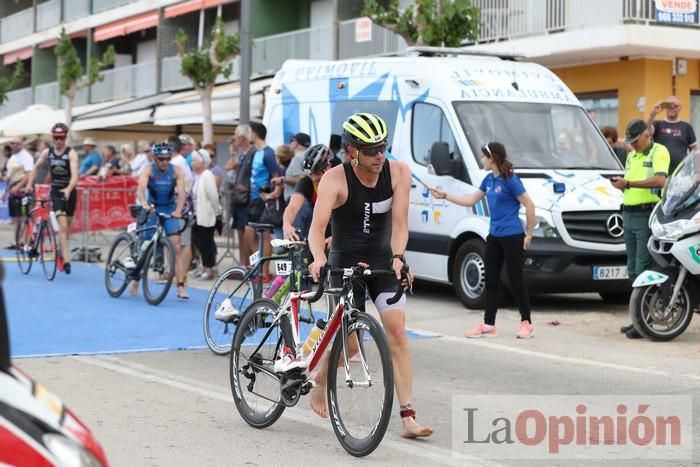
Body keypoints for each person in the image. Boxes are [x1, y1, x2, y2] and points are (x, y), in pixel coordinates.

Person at [306, 112, 433, 439]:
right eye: (372, 149)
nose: (380, 155)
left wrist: (398, 258)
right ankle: (320, 378)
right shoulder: (334, 179)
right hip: (344, 263)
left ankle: (408, 417)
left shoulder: (399, 173)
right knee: (350, 348)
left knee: (398, 334)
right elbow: (317, 229)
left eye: (383, 147)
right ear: (352, 151)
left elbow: (400, 224)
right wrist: (318, 258)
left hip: (382, 261)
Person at [431, 142, 536, 338]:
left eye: (483, 157)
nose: (481, 160)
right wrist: (444, 195)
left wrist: (529, 234)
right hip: (494, 236)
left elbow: (530, 205)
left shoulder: (510, 180)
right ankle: (489, 324)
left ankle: (526, 322)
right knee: (491, 280)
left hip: (513, 236)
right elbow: (470, 201)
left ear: (493, 158)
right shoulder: (488, 180)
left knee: (516, 280)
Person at [612, 120, 670, 339]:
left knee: (644, 268)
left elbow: (660, 180)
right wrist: (621, 184)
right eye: (631, 142)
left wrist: (628, 184)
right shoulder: (632, 156)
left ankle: (645, 319)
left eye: (635, 141)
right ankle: (637, 317)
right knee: (633, 269)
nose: (633, 145)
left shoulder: (658, 151)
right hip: (628, 215)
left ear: (647, 135)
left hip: (646, 215)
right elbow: (631, 182)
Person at [135, 141, 188, 299]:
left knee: (176, 247)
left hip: (169, 209)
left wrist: (179, 210)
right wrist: (144, 203)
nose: (165, 162)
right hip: (153, 208)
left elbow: (182, 193)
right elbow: (141, 189)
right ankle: (135, 280)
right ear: (155, 158)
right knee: (146, 246)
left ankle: (180, 286)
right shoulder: (148, 169)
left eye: (167, 158)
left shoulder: (176, 170)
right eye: (161, 159)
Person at [26, 123, 79, 274]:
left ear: (65, 137)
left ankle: (61, 254)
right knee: (62, 225)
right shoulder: (47, 152)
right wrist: (30, 184)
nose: (58, 141)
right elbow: (35, 167)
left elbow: (75, 175)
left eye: (61, 138)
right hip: (56, 191)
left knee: (66, 228)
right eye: (56, 138)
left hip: (69, 192)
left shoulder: (71, 153)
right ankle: (67, 262)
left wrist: (69, 189)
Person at [245, 122, 282, 281]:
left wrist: (272, 195)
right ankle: (260, 267)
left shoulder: (268, 153)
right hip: (253, 199)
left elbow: (278, 177)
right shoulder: (256, 152)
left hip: (263, 201)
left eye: (249, 133)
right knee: (249, 235)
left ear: (254, 134)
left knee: (265, 236)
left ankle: (264, 272)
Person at [282, 143, 332, 241]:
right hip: (321, 228)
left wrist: (337, 237)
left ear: (329, 166)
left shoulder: (340, 181)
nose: (314, 178)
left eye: (317, 173)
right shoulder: (305, 182)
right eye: (310, 174)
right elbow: (292, 207)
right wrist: (287, 224)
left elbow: (353, 215)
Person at [226, 125, 255, 266]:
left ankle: (248, 266)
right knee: (240, 232)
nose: (234, 138)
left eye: (236, 135)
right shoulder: (242, 154)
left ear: (243, 137)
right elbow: (229, 167)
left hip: (247, 198)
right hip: (238, 197)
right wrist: (233, 153)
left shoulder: (253, 153)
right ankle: (244, 265)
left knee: (246, 234)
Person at [646, 95, 697, 175]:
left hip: (681, 174)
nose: (672, 108)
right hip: (660, 172)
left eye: (675, 106)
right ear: (665, 107)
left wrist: (696, 172)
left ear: (680, 108)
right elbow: (647, 132)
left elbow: (694, 151)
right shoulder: (657, 124)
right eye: (669, 105)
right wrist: (653, 114)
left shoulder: (686, 126)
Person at [191, 150, 221, 280]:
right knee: (199, 242)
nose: (192, 163)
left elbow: (213, 195)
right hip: (198, 214)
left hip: (206, 214)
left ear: (202, 162)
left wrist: (217, 210)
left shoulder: (207, 175)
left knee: (206, 242)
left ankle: (209, 269)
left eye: (194, 161)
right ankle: (204, 267)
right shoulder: (198, 176)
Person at [5, 137, 34, 247]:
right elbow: (9, 175)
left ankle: (24, 241)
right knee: (16, 218)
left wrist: (18, 187)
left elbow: (29, 174)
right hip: (13, 190)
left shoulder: (26, 157)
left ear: (21, 144)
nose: (15, 145)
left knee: (24, 217)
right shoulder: (13, 156)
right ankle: (16, 241)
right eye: (13, 143)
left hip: (22, 191)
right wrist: (6, 191)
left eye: (17, 143)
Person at [282, 132, 311, 203]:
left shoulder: (298, 157)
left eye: (291, 141)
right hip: (303, 199)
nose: (290, 144)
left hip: (296, 200)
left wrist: (282, 180)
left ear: (295, 143)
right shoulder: (308, 156)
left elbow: (300, 180)